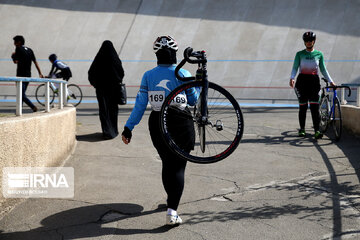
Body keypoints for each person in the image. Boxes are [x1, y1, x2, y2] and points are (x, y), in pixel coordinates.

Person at [121, 35, 199, 226]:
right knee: (179, 165)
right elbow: (193, 101)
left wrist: (128, 128)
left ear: (157, 54)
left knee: (167, 162)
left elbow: (140, 104)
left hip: (157, 122)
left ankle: (170, 200)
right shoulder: (184, 73)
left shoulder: (148, 75)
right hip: (181, 120)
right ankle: (172, 211)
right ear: (175, 54)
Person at [289, 31, 336, 139]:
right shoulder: (299, 54)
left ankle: (317, 131)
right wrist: (292, 78)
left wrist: (331, 81)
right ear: (304, 42)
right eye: (306, 41)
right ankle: (302, 129)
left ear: (314, 41)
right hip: (302, 82)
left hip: (314, 82)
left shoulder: (319, 54)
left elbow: (323, 69)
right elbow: (295, 67)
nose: (308, 42)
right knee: (303, 107)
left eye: (310, 40)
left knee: (315, 107)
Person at [88, 40, 124, 140]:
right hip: (113, 90)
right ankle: (113, 131)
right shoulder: (115, 59)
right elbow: (121, 72)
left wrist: (96, 85)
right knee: (113, 110)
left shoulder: (98, 59)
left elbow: (91, 73)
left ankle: (106, 131)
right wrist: (116, 81)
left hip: (101, 90)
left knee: (104, 110)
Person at [11, 35, 44, 112]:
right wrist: (40, 73)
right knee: (21, 94)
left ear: (19, 42)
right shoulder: (30, 50)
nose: (14, 43)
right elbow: (35, 62)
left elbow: (15, 62)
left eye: (15, 41)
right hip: (28, 75)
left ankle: (33, 107)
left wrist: (13, 56)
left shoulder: (18, 48)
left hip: (20, 75)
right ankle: (19, 111)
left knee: (21, 94)